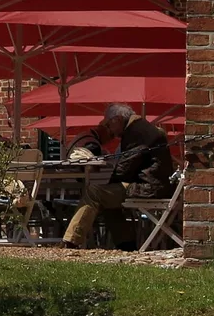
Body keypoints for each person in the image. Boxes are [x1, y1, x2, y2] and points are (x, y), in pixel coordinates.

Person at [62, 103, 175, 249]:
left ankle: (71, 241)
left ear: (118, 119)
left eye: (109, 125)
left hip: (149, 188)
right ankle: (126, 245)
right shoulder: (141, 128)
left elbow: (124, 169)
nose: (110, 131)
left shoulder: (136, 132)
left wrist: (109, 183)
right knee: (106, 198)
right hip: (154, 185)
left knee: (94, 192)